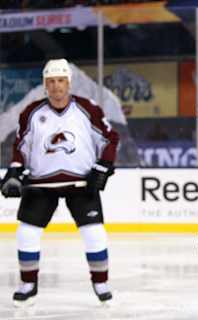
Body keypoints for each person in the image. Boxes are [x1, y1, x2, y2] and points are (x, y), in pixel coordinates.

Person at [0, 58, 119, 306]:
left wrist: (103, 167)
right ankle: (28, 283)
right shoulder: (31, 112)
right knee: (26, 234)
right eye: (51, 81)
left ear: (69, 82)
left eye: (60, 81)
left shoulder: (89, 108)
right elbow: (21, 147)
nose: (56, 86)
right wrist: (14, 171)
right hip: (40, 183)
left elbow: (109, 139)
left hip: (82, 184)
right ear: (45, 84)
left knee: (95, 234)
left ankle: (101, 284)